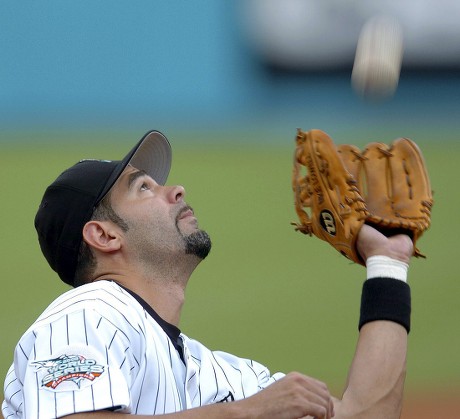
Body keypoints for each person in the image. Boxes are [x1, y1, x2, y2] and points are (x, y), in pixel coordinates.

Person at [3, 130, 414, 419]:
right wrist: (250, 412)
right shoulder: (86, 314)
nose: (175, 190)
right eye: (142, 188)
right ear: (104, 235)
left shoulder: (215, 373)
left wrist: (388, 263)